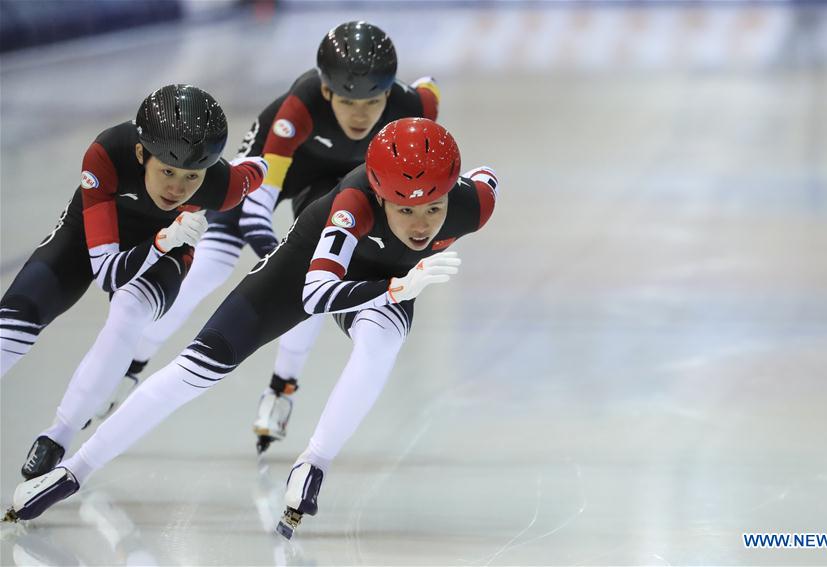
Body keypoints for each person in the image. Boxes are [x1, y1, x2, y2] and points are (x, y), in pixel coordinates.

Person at [7, 118, 499, 541]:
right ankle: (76, 469)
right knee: (194, 370)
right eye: (404, 208)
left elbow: (486, 178)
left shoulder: (471, 204)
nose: (420, 226)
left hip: (386, 281)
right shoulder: (353, 203)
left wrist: (394, 286)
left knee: (381, 344)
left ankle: (315, 461)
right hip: (303, 272)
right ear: (376, 190)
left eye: (433, 207)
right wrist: (395, 288)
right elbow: (315, 296)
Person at [120, 21, 441, 453]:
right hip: (272, 171)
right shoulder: (301, 105)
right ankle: (133, 363)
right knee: (212, 262)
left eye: (372, 101)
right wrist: (275, 251)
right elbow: (258, 202)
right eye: (347, 100)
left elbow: (429, 92)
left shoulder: (410, 105)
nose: (360, 115)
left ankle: (281, 388)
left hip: (339, 186)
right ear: (327, 92)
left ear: (389, 94)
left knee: (312, 280)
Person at [0, 84, 267, 480]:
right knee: (13, 322)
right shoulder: (107, 154)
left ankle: (58, 436)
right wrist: (162, 240)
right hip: (90, 235)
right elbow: (108, 272)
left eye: (192, 176)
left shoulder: (222, 185)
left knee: (129, 313)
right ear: (142, 153)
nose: (177, 188)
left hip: (169, 255)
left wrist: (167, 245)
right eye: (167, 171)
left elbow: (259, 169)